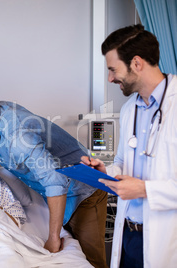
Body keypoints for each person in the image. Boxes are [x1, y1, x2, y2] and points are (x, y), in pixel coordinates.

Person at [0, 87, 108, 267]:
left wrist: (53, 238)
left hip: (83, 192)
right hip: (59, 198)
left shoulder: (18, 138)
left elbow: (55, 183)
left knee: (92, 260)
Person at [81, 24, 177, 268]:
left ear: (136, 63)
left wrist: (145, 189)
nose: (110, 78)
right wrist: (105, 171)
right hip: (130, 238)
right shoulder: (128, 109)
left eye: (113, 69)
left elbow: (143, 186)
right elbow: (123, 162)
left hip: (168, 239)